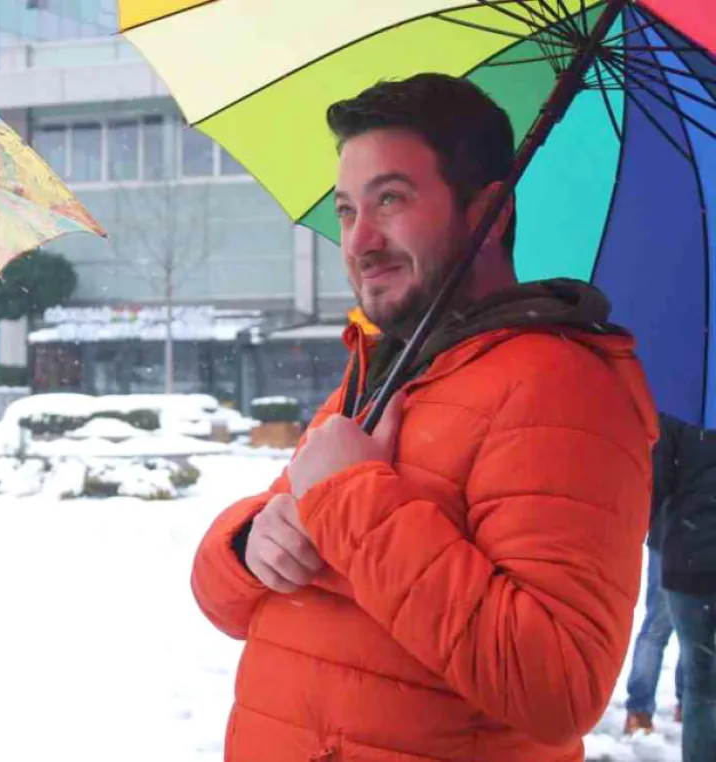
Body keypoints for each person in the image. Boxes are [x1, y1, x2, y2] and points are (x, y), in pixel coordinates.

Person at [191, 73, 657, 761]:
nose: (360, 240)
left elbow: (558, 688)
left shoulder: (563, 387)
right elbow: (224, 600)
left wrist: (350, 498)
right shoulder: (384, 369)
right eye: (347, 209)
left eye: (391, 199)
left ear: (489, 213)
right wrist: (250, 541)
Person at [656, 411, 716, 759]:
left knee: (699, 684)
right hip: (687, 559)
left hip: (686, 562)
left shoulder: (681, 412)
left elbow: (656, 485)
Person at [624, 411, 685, 735]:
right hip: (679, 537)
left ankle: (641, 712)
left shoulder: (674, 416)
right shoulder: (685, 419)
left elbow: (656, 484)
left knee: (661, 627)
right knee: (688, 630)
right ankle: (684, 705)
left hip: (672, 534)